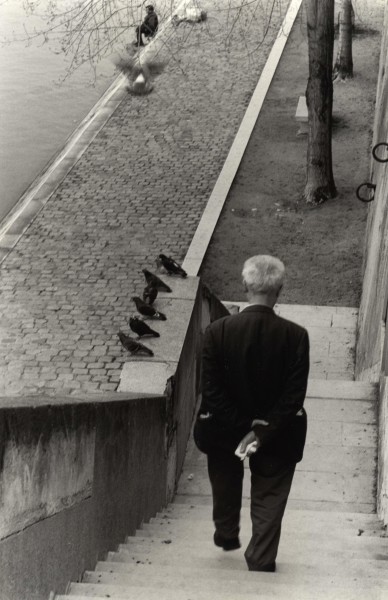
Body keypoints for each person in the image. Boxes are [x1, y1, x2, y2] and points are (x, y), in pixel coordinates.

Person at [194, 255, 310, 572]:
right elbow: (293, 396)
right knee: (270, 495)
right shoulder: (297, 336)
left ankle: (227, 532)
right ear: (279, 290)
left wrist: (241, 427)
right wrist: (261, 430)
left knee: (225, 478)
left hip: (224, 430)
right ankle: (261, 557)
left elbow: (211, 390)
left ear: (245, 286)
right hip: (278, 433)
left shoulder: (217, 332)